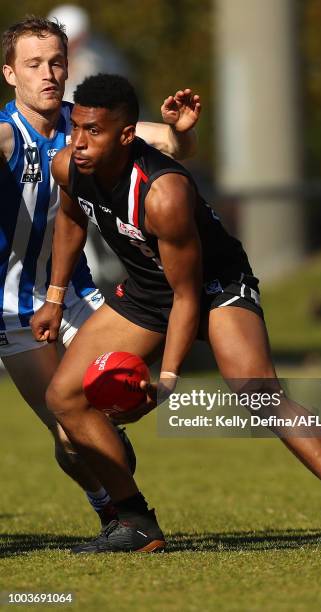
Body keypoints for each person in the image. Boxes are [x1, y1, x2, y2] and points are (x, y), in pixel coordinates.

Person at [31, 74, 321, 555]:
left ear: (125, 135)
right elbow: (72, 222)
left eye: (93, 131)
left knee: (257, 394)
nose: (78, 142)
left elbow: (187, 295)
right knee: (65, 396)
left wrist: (168, 380)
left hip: (215, 288)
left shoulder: (165, 192)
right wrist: (55, 296)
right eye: (75, 128)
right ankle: (136, 521)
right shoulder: (68, 166)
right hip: (147, 290)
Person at [1, 17, 201, 527]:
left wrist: (180, 130)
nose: (48, 73)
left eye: (56, 62)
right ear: (9, 74)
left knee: (88, 412)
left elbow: (173, 146)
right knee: (70, 437)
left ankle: (122, 491)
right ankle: (106, 505)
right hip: (12, 309)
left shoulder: (89, 125)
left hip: (76, 293)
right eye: (33, 64)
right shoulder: (7, 136)